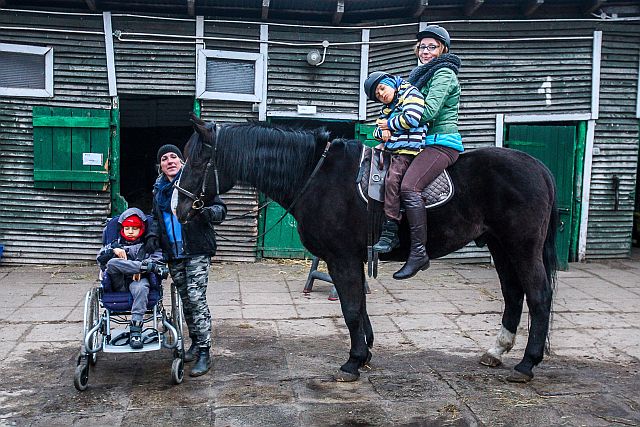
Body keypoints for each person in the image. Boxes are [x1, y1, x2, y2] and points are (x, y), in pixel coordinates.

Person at [381, 24, 464, 280]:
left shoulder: (443, 74)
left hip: (440, 143)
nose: (426, 51)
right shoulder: (419, 74)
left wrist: (390, 124)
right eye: (422, 47)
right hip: (419, 142)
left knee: (409, 187)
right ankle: (388, 231)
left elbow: (426, 112)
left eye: (432, 47)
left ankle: (418, 253)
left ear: (443, 50)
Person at [148, 144, 227, 377]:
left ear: (182, 162)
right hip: (174, 253)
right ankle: (195, 342)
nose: (170, 161)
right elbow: (155, 217)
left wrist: (205, 212)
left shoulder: (197, 184)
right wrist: (153, 235)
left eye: (174, 157)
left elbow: (221, 210)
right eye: (164, 158)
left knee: (195, 297)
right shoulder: (158, 189)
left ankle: (205, 352)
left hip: (197, 249)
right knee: (185, 300)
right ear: (160, 165)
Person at [363, 71, 427, 256]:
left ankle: (391, 228)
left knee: (392, 181)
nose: (381, 94)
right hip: (392, 150)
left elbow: (412, 118)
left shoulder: (411, 93)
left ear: (390, 82)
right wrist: (381, 133)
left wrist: (388, 126)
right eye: (377, 95)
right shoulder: (387, 107)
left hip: (407, 152)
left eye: (382, 88)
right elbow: (376, 130)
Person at [97, 207, 167, 349]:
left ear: (141, 229)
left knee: (141, 287)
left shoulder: (149, 246)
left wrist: (145, 267)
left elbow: (159, 259)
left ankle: (136, 330)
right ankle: (142, 266)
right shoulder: (114, 245)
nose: (130, 231)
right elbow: (101, 261)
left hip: (139, 280)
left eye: (134, 228)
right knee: (112, 263)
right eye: (127, 228)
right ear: (122, 228)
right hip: (119, 282)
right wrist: (112, 251)